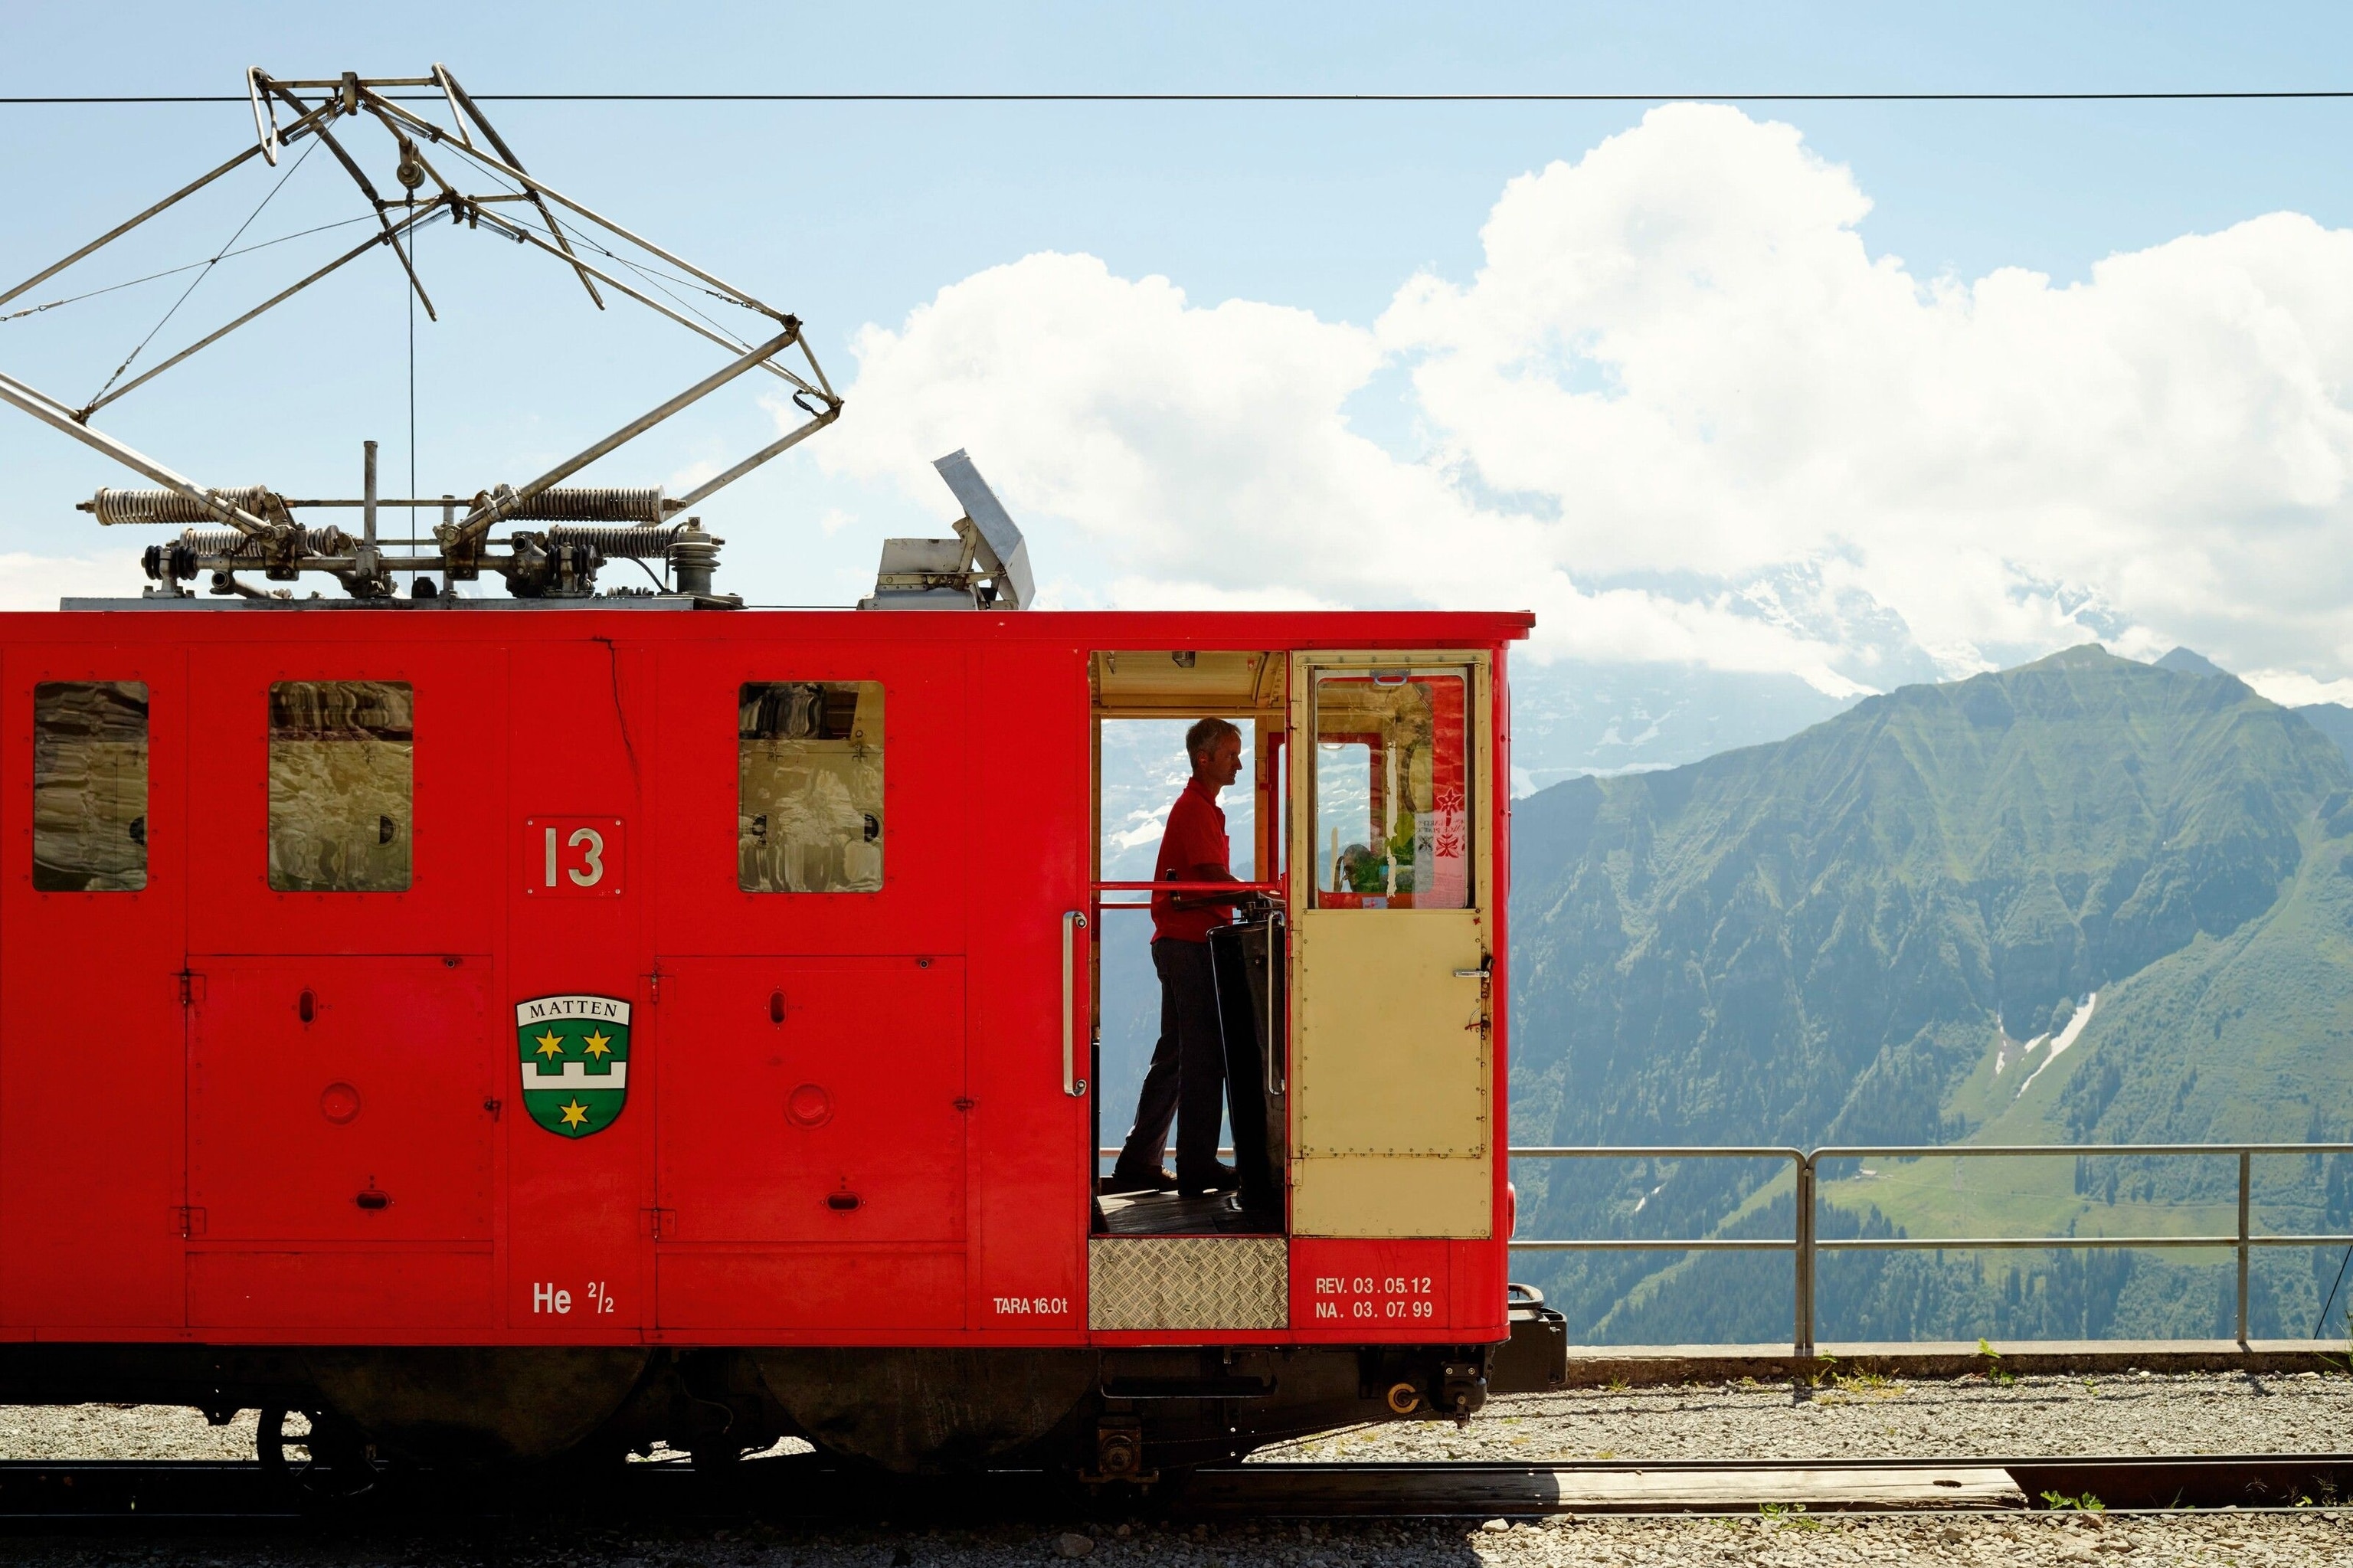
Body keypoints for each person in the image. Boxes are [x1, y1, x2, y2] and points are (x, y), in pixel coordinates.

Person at [1106, 716, 1252, 1199]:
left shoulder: (1202, 808)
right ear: (1203, 759)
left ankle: (1138, 1162)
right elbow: (1211, 876)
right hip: (1190, 945)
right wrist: (1260, 897)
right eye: (1230, 754)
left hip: (1178, 942)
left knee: (1175, 1055)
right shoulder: (1194, 810)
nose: (1239, 762)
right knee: (1204, 1055)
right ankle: (1197, 1165)